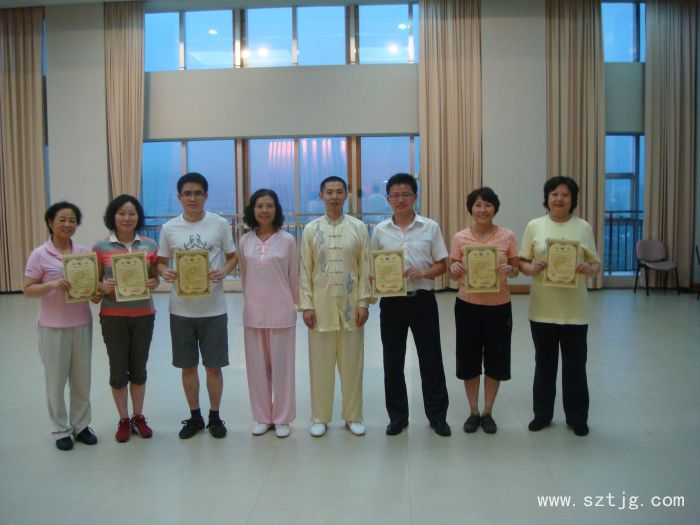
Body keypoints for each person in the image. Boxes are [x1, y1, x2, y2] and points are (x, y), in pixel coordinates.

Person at [157, 172, 238, 439]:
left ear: (206, 196)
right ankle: (195, 417)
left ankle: (215, 416)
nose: (193, 198)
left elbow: (232, 256)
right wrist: (165, 272)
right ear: (179, 197)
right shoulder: (169, 228)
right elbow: (160, 262)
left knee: (214, 366)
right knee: (188, 366)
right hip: (181, 310)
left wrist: (224, 271)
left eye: (198, 193)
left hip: (214, 309)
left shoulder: (219, 224)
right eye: (187, 194)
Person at [519, 176, 601, 437]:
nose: (559, 199)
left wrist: (589, 268)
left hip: (575, 312)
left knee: (575, 367)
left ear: (573, 199)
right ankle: (542, 414)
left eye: (565, 194)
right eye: (554, 194)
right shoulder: (535, 226)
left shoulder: (583, 227)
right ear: (547, 197)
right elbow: (522, 261)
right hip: (542, 310)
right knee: (544, 365)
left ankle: (577, 418)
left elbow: (596, 264)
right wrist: (533, 268)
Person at [371, 173, 451, 437]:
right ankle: (397, 417)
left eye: (406, 194)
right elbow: (373, 264)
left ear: (415, 197)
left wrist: (422, 273)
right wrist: (375, 277)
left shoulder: (430, 227)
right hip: (392, 303)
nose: (400, 199)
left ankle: (437, 417)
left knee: (431, 359)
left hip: (422, 300)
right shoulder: (380, 230)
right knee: (392, 361)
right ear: (388, 199)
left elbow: (443, 264)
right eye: (395, 195)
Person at [23, 202, 101, 450]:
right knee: (56, 381)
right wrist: (51, 285)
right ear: (50, 222)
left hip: (81, 323)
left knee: (82, 379)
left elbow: (90, 288)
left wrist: (94, 294)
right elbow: (28, 289)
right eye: (62, 219)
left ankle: (81, 426)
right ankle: (60, 430)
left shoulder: (83, 253)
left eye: (72, 220)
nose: (67, 224)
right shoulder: (39, 254)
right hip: (53, 326)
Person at [299, 176, 371, 437]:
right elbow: (304, 270)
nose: (334, 196)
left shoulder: (359, 228)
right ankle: (320, 417)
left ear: (346, 195)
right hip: (320, 308)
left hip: (352, 309)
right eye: (329, 192)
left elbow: (366, 267)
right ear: (321, 196)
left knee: (352, 366)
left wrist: (363, 302)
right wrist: (307, 305)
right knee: (320, 366)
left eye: (339, 192)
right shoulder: (310, 230)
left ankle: (353, 416)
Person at [448, 187, 519, 435]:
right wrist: (454, 269)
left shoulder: (507, 236)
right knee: (469, 358)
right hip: (467, 306)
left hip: (499, 307)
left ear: (495, 208)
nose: (483, 210)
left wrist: (510, 270)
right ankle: (473, 411)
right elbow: (452, 270)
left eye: (487, 205)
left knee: (496, 359)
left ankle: (488, 411)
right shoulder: (460, 237)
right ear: (471, 209)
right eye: (478, 205)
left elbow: (516, 269)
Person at [93, 195, 159, 443]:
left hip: (144, 315)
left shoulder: (150, 245)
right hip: (113, 317)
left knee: (139, 369)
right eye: (121, 213)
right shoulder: (100, 247)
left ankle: (138, 416)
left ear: (138, 217)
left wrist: (153, 282)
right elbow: (93, 282)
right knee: (118, 369)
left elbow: (155, 278)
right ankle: (123, 419)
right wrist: (103, 287)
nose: (127, 218)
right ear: (113, 216)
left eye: (132, 213)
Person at [239, 189, 299, 438]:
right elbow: (245, 277)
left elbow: (294, 275)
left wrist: (297, 304)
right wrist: (249, 303)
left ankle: (282, 418)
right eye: (260, 206)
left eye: (269, 206)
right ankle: (263, 417)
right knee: (257, 369)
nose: (264, 210)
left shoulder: (287, 240)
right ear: (252, 210)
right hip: (254, 313)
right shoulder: (244, 241)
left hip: (282, 312)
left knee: (283, 369)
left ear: (277, 210)